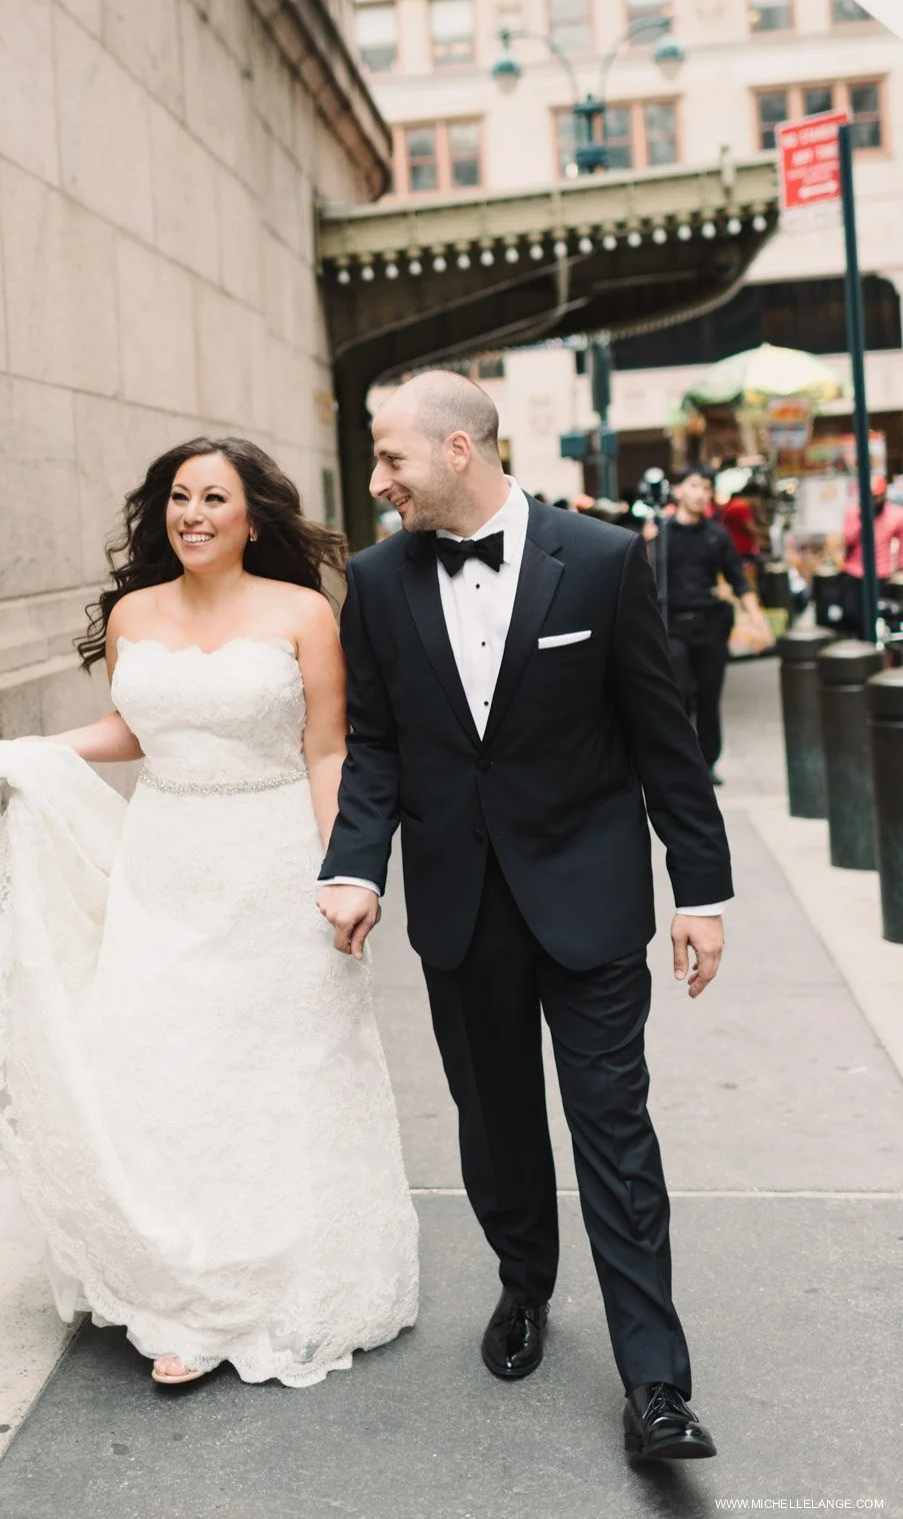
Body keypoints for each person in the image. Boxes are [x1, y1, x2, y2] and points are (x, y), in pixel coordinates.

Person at [0, 437, 418, 1389]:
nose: (192, 513)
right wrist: (31, 753)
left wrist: (348, 870)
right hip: (163, 865)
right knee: (165, 1069)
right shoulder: (133, 613)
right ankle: (184, 1293)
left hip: (273, 862)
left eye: (214, 497)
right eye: (178, 497)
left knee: (283, 1074)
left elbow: (329, 748)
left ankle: (290, 1279)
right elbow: (138, 727)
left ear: (252, 517)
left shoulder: (300, 613)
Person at [316, 371, 729, 1463]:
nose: (379, 482)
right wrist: (355, 865)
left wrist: (701, 892)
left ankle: (656, 1384)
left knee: (614, 1133)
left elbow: (662, 737)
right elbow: (376, 747)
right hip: (461, 905)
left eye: (392, 459)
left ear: (459, 449)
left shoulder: (600, 562)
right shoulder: (378, 580)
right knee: (496, 1125)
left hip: (589, 901)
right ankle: (523, 1284)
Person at [654, 464, 763, 784]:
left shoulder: (717, 535)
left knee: (709, 696)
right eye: (693, 486)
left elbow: (739, 580)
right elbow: (644, 580)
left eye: (705, 488)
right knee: (681, 692)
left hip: (711, 624)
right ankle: (682, 760)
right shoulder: (661, 535)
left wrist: (758, 621)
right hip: (673, 625)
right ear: (679, 490)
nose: (700, 494)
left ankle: (706, 762)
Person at [841, 473, 903, 633]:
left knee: (879, 614)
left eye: (876, 496)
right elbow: (849, 538)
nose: (873, 501)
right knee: (853, 614)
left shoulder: (895, 515)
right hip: (855, 571)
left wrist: (900, 566)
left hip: (880, 573)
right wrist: (863, 518)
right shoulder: (853, 513)